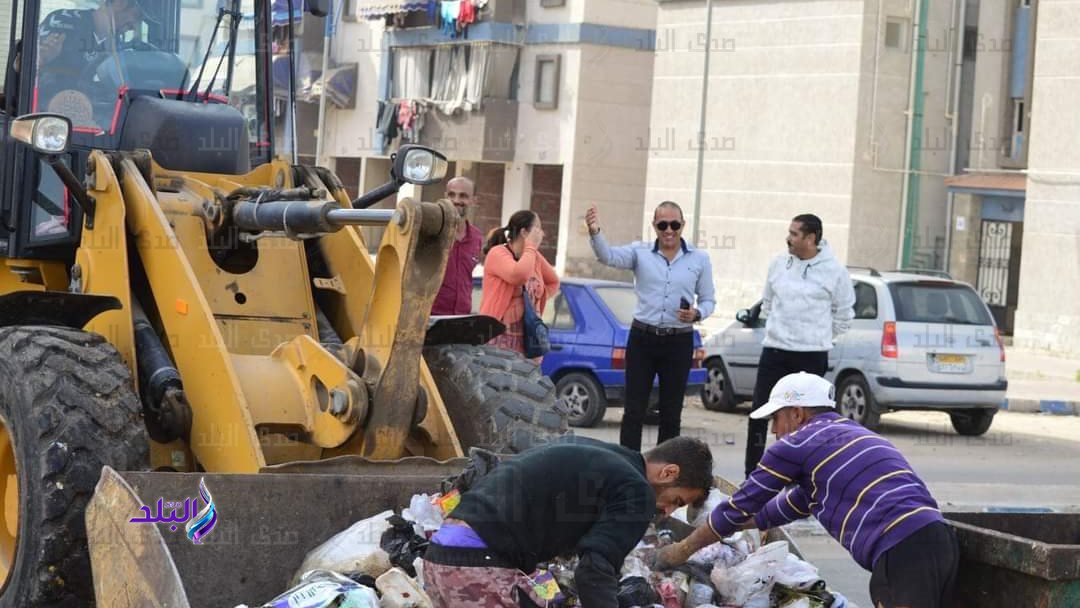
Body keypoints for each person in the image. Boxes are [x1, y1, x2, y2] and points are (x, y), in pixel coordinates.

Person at [653, 372, 958, 608]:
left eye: (776, 418)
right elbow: (770, 512)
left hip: (902, 550)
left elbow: (738, 509)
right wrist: (709, 517)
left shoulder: (797, 443)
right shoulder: (846, 440)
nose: (774, 431)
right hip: (939, 541)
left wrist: (680, 551)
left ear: (797, 414)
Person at [423, 435, 715, 608]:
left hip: (439, 557)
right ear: (668, 473)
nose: (666, 512)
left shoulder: (601, 455)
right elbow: (593, 572)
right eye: (676, 501)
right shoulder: (638, 490)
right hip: (477, 568)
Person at [586, 201, 715, 451]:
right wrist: (594, 232)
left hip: (678, 340)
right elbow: (608, 256)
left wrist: (698, 313)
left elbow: (709, 299)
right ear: (654, 226)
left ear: (683, 225)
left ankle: (666, 471)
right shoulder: (640, 253)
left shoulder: (699, 259)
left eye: (674, 224)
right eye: (662, 224)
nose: (669, 230)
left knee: (671, 411)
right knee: (634, 409)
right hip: (643, 338)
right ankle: (629, 465)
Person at [744, 213, 855, 477]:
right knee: (760, 414)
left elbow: (844, 314)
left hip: (811, 355)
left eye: (794, 233)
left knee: (808, 421)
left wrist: (820, 338)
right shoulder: (778, 264)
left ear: (811, 238)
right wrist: (779, 330)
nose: (789, 238)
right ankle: (753, 476)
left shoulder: (835, 271)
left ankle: (803, 479)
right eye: (790, 232)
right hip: (775, 351)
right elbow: (768, 303)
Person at [479, 210, 559, 358]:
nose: (542, 234)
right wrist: (530, 247)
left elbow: (553, 281)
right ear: (524, 232)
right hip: (499, 340)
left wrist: (533, 301)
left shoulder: (533, 256)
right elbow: (518, 275)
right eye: (538, 228)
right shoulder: (498, 253)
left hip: (527, 340)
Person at [431, 176, 483, 315]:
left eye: (463, 196)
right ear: (445, 197)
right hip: (431, 318)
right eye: (451, 195)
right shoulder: (432, 232)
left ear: (474, 201)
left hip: (461, 318)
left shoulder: (476, 237)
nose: (456, 200)